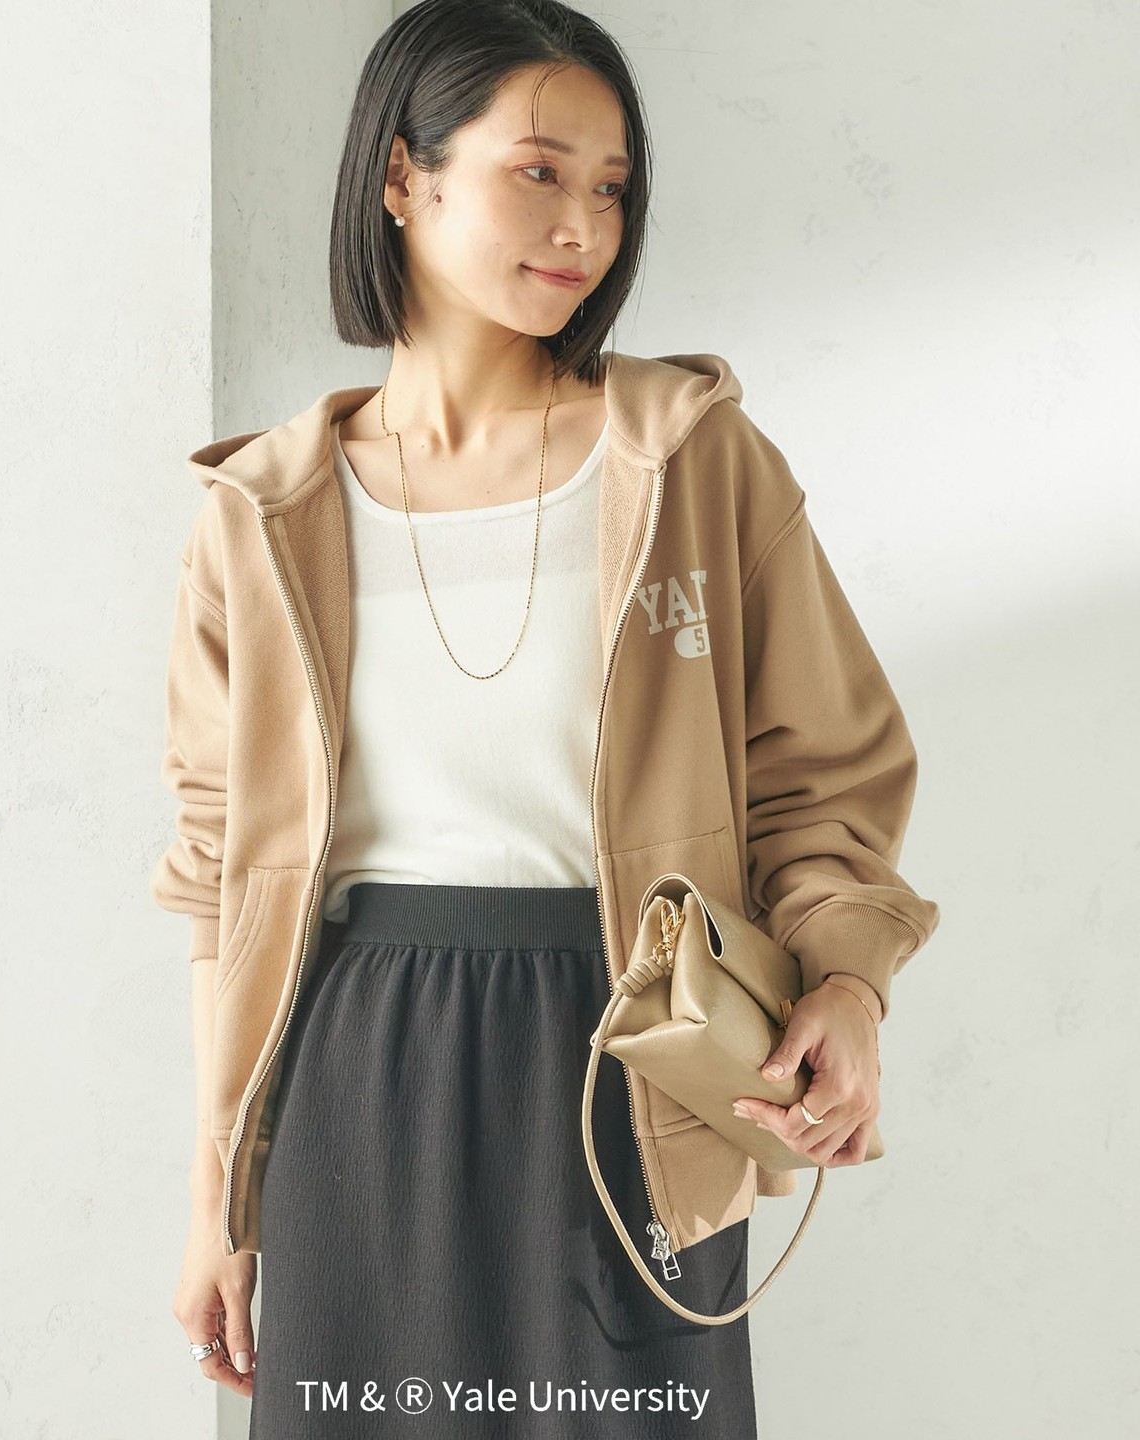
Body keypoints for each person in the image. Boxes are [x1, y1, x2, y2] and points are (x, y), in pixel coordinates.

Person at [152, 2, 941, 1435]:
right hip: (353, 1075)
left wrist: (848, 983)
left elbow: (822, 780)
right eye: (538, 171)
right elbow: (222, 883)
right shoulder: (262, 516)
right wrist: (217, 1199)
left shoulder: (692, 461)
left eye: (612, 185)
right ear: (404, 177)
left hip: (635, 1056)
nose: (584, 223)